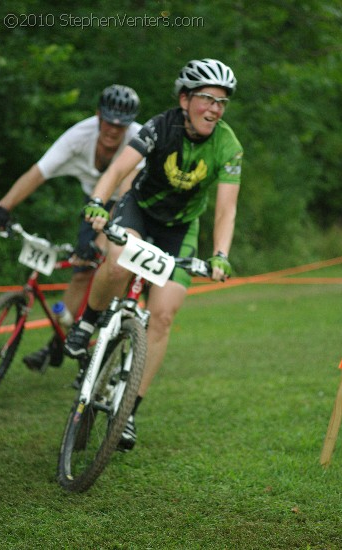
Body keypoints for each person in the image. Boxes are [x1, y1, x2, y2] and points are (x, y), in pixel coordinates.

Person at [64, 58, 244, 452]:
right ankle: (87, 323)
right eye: (206, 99)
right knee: (117, 259)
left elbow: (226, 209)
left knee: (162, 316)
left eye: (222, 102)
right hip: (140, 211)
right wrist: (97, 201)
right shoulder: (159, 127)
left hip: (181, 229)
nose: (214, 108)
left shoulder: (228, 145)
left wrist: (220, 254)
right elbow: (116, 170)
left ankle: (127, 412)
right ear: (184, 99)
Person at [0, 84, 144, 371]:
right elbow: (37, 173)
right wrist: (3, 208)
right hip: (95, 200)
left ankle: (105, 346)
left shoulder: (139, 138)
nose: (114, 129)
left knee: (111, 268)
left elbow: (125, 195)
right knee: (80, 273)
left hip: (128, 200)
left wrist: (100, 240)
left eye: (121, 125)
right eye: (109, 121)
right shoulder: (79, 136)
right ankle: (58, 343)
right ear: (98, 116)